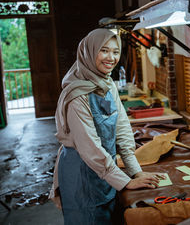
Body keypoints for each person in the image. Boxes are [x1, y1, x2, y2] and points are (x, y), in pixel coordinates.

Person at [49, 28, 163, 224]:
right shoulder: (76, 94)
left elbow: (122, 128)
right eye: (104, 50)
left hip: (105, 171)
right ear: (89, 52)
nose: (111, 57)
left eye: (116, 51)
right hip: (81, 175)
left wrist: (135, 170)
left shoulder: (106, 83)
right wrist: (126, 181)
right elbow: (89, 146)